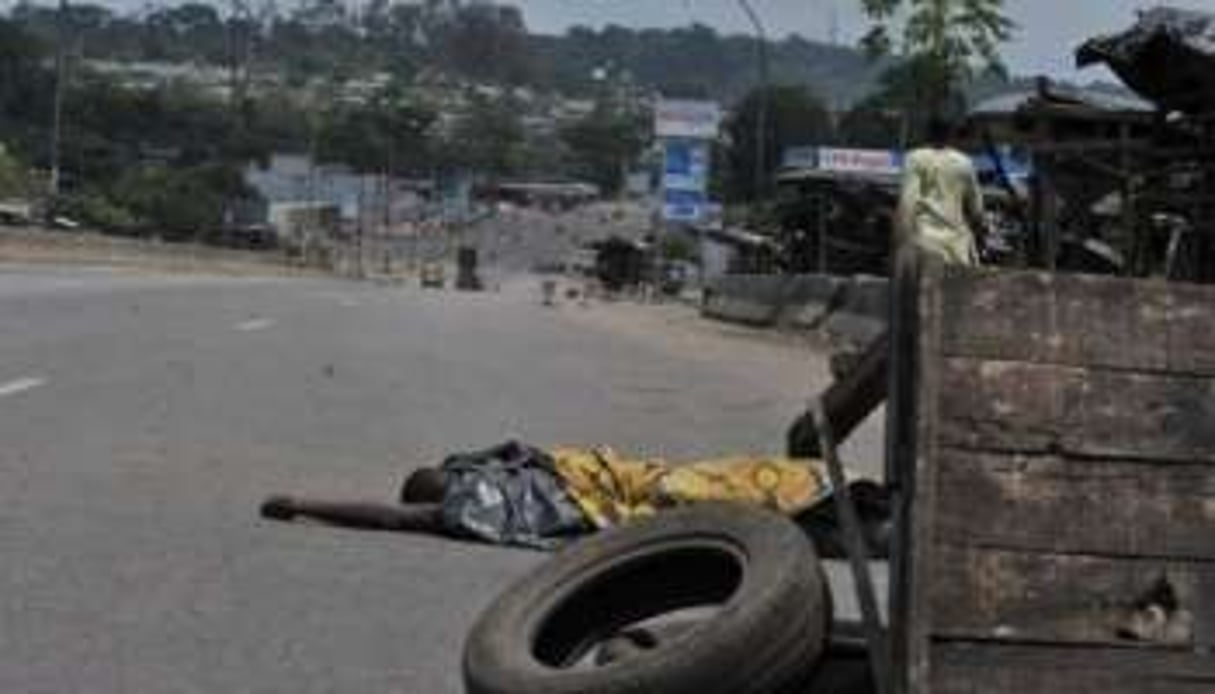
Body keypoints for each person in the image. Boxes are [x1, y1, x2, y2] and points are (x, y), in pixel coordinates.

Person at [259, 440, 887, 552]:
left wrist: (304, 503)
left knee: (722, 493)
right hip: (641, 486)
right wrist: (304, 502)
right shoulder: (490, 484)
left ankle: (849, 511)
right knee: (736, 483)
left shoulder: (476, 494)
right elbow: (396, 513)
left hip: (628, 489)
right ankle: (846, 501)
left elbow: (391, 518)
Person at [897, 116, 989, 266]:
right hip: (957, 245)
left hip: (924, 240)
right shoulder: (964, 162)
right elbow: (977, 208)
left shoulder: (915, 158)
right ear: (950, 135)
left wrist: (901, 239)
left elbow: (907, 202)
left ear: (927, 134)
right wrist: (979, 231)